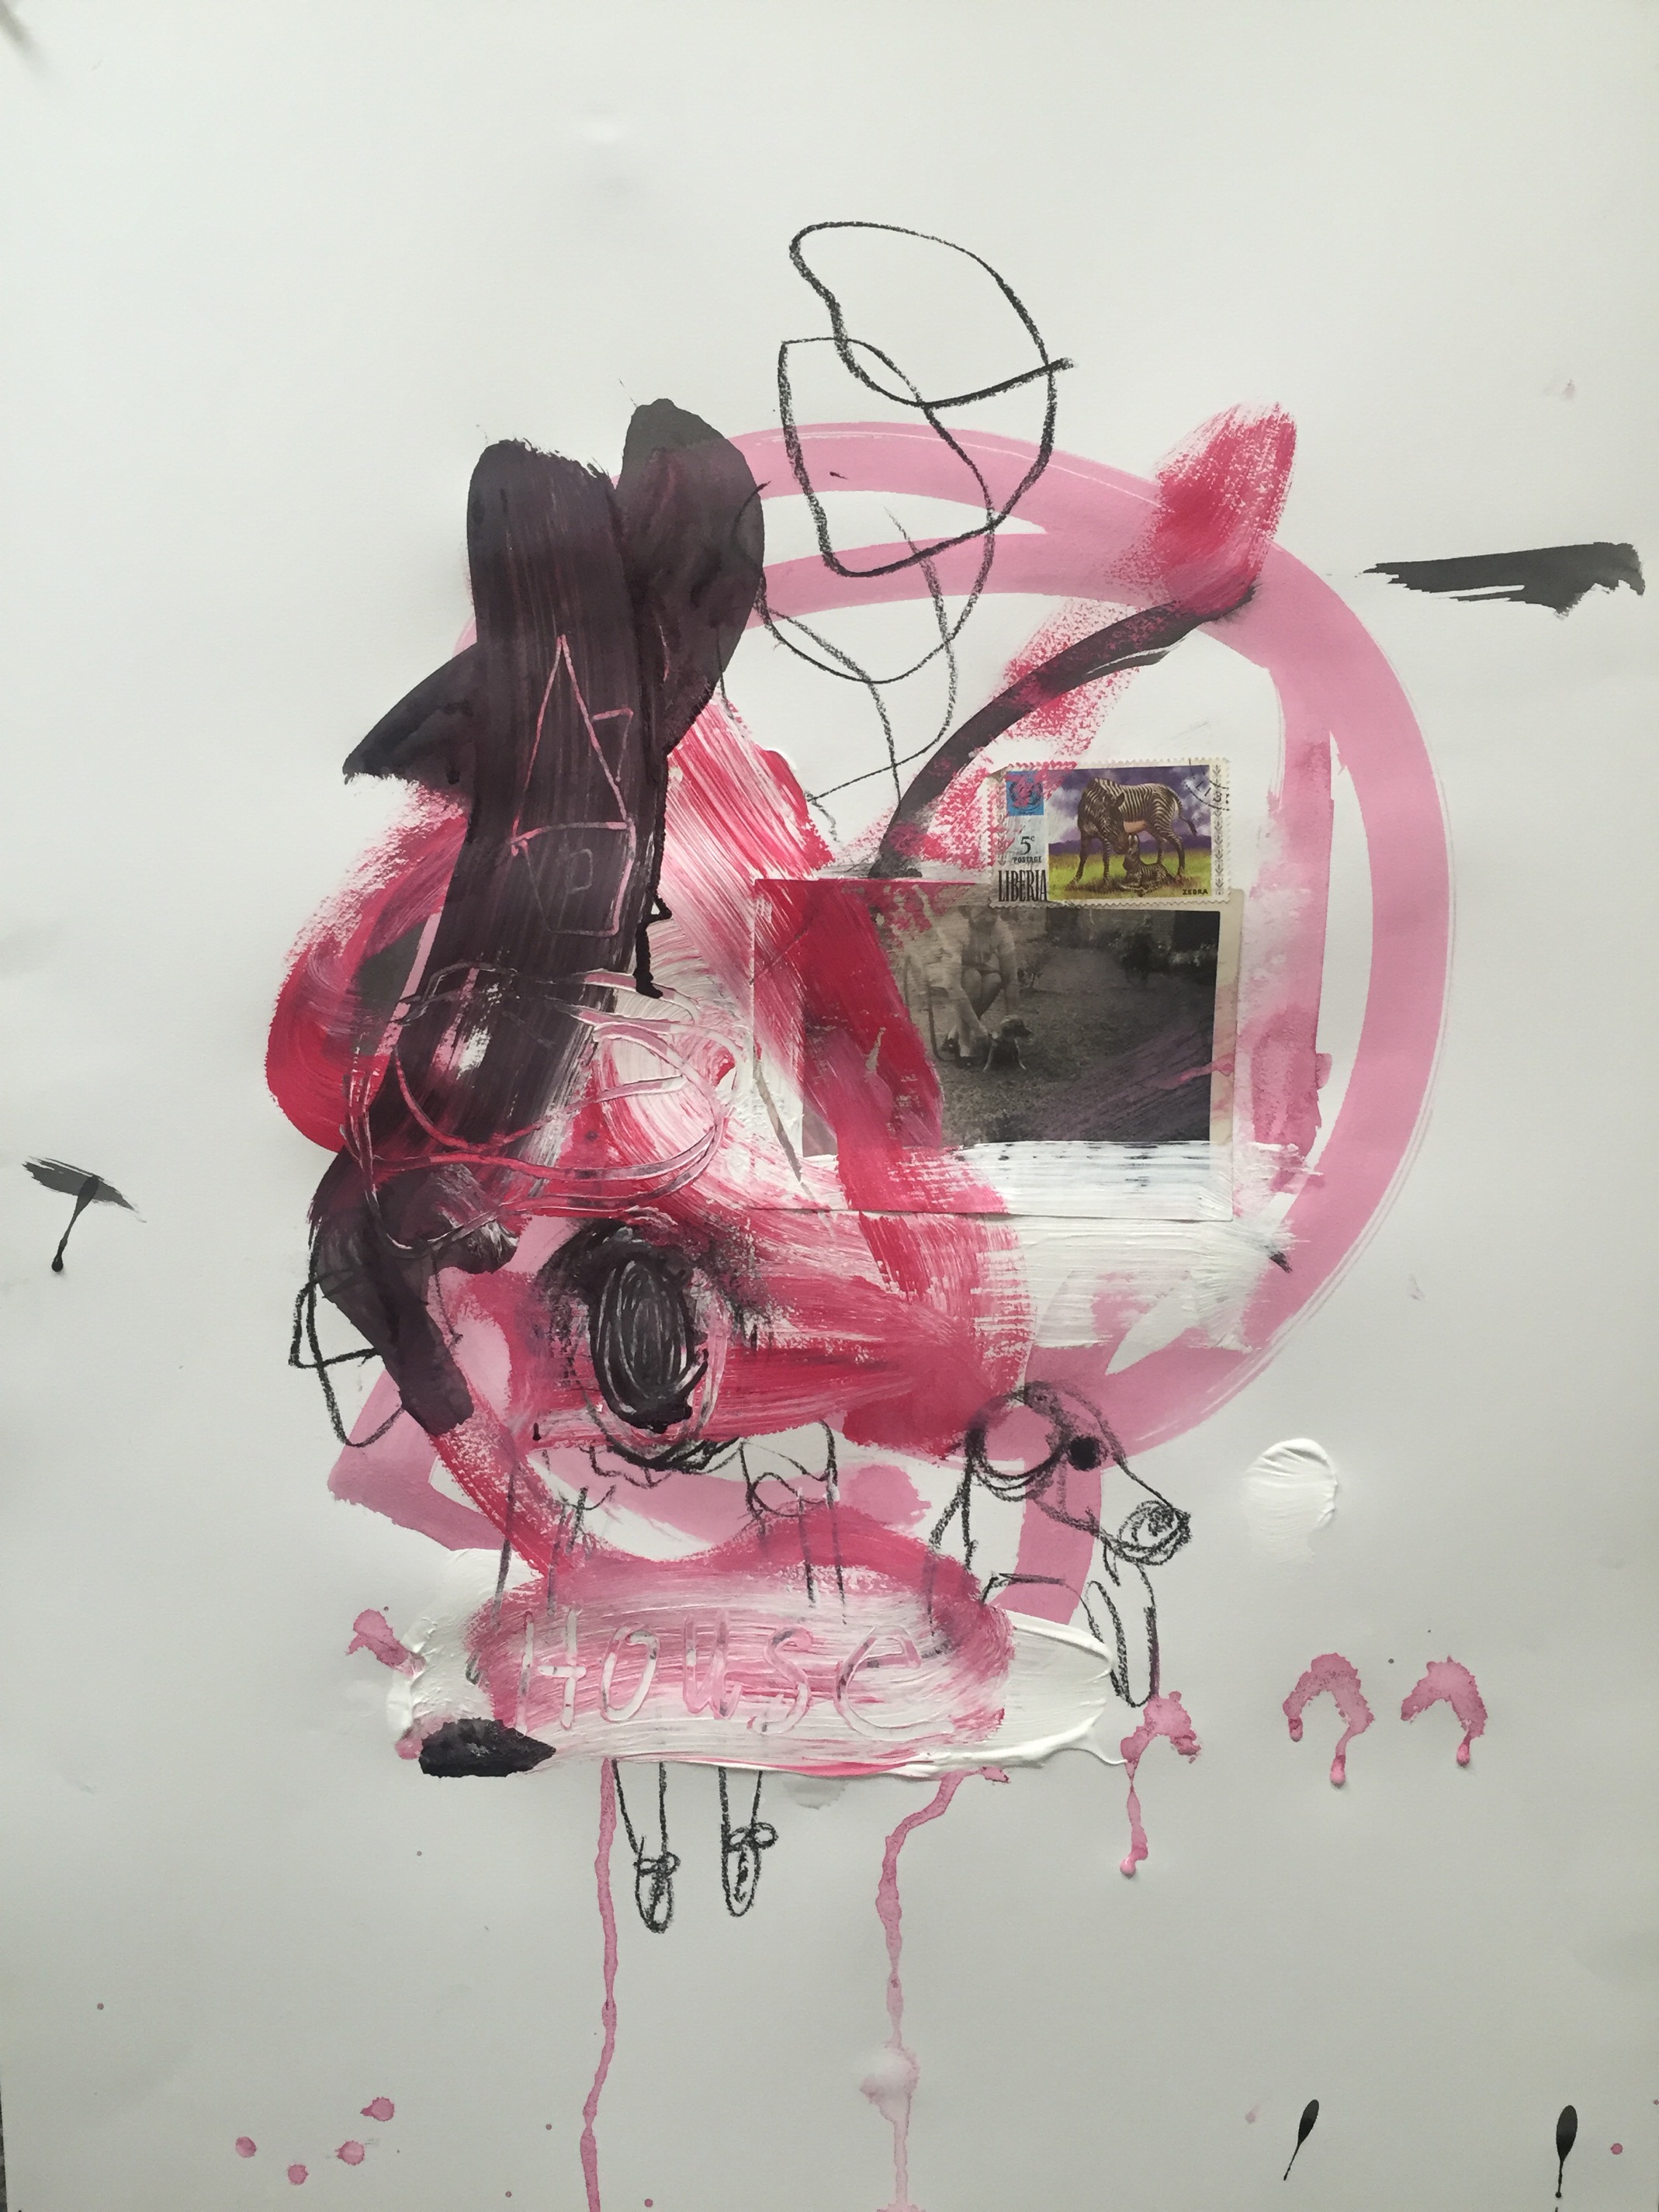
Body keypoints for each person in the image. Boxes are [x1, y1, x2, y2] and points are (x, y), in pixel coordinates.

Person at [910, 891, 1023, 1065]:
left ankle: (953, 1036)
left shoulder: (1001, 929)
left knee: (995, 981)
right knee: (973, 979)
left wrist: (1011, 1023)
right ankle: (964, 1044)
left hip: (973, 965)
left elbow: (1010, 978)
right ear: (967, 911)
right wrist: (979, 1030)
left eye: (993, 910)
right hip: (938, 966)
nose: (989, 918)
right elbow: (953, 985)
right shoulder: (955, 928)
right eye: (982, 912)